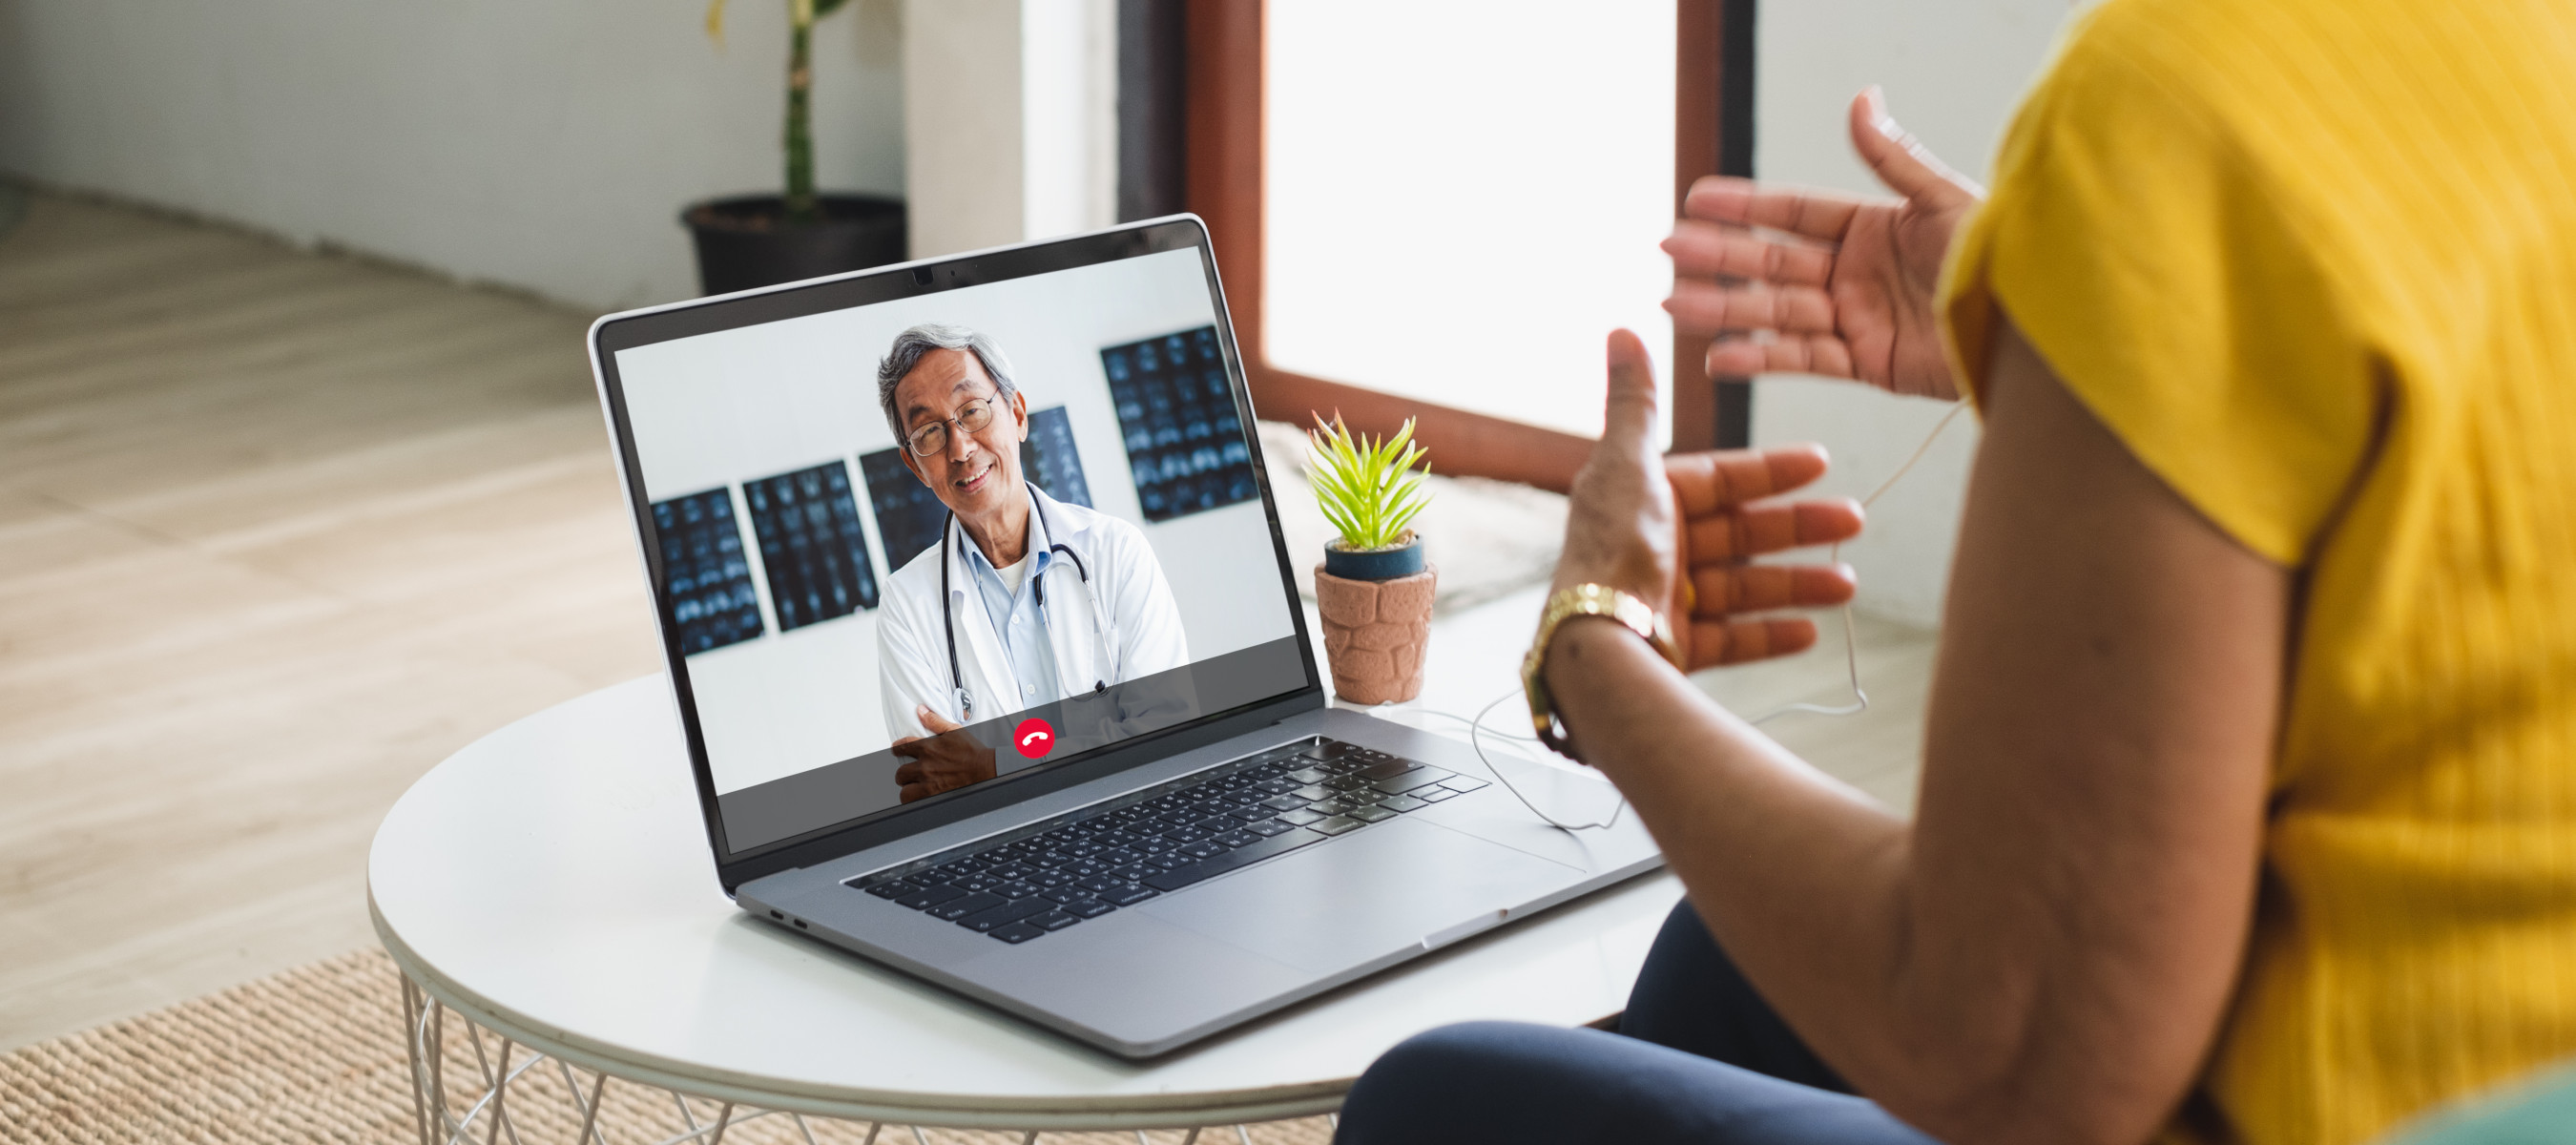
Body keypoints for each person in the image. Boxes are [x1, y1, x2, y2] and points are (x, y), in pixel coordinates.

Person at [1336, 0, 2576, 1141]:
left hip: (2388, 1109)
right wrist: (2098, 319)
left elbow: (2009, 1051)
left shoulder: (2191, 91)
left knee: (1433, 1100)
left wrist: (1593, 642)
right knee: (1721, 954)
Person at [874, 323, 1189, 803]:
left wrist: (993, 766)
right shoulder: (906, 607)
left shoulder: (1116, 552)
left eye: (972, 411)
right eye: (930, 433)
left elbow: (1166, 740)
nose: (960, 449)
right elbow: (939, 794)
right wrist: (1098, 747)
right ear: (915, 466)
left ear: (1017, 414)